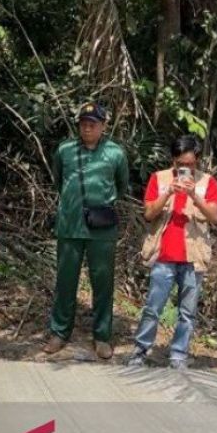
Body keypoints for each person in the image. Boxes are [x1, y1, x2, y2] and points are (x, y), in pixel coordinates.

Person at [43, 101, 130, 360]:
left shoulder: (115, 153)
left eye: (93, 123)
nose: (87, 128)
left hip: (102, 229)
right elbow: (58, 180)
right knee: (65, 282)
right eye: (83, 123)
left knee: (102, 283)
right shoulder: (65, 150)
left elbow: (121, 185)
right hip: (70, 226)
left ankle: (102, 336)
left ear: (103, 126)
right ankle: (59, 332)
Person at [127, 134, 217, 370]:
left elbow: (214, 217)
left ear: (197, 161)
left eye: (190, 164)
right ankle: (140, 351)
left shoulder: (208, 183)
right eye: (180, 164)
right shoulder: (159, 179)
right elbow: (148, 214)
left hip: (194, 257)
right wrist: (168, 192)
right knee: (153, 307)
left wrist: (193, 196)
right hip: (164, 256)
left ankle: (178, 355)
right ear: (173, 160)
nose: (185, 169)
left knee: (187, 312)